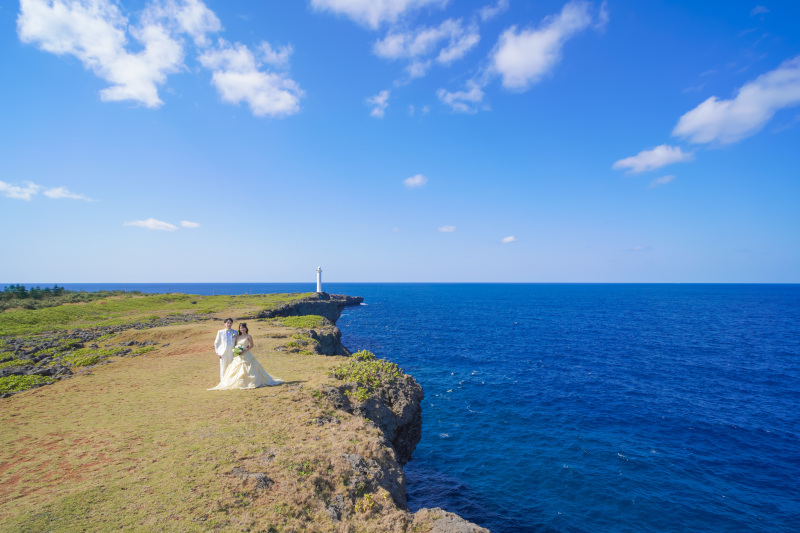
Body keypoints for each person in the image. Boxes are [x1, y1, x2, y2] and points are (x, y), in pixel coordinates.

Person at [208, 322, 284, 390]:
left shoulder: (248, 336)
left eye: (243, 328)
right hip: (239, 356)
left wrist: (245, 350)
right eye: (241, 328)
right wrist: (237, 351)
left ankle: (251, 382)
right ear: (239, 329)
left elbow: (252, 345)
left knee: (250, 368)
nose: (242, 329)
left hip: (247, 354)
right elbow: (235, 346)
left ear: (246, 328)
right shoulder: (237, 337)